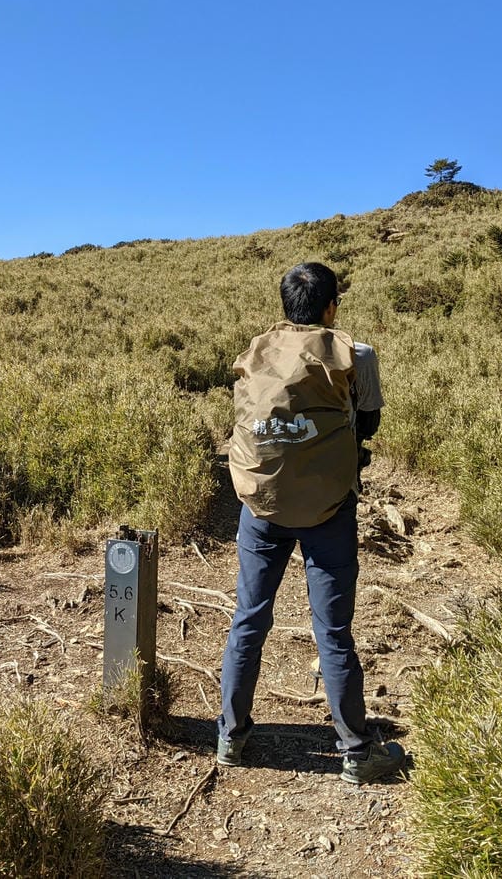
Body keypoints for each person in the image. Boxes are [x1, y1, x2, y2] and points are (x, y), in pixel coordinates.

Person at [217, 262, 406, 785]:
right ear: (330, 307)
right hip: (327, 508)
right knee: (334, 631)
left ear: (285, 305)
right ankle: (355, 750)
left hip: (262, 503)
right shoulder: (357, 354)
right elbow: (368, 422)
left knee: (249, 618)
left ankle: (231, 737)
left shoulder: (255, 350)